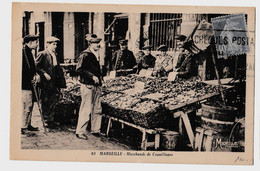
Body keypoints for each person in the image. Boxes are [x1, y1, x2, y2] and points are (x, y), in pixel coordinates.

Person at [75, 34, 103, 140]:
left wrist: (100, 78)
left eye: (98, 43)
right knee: (86, 109)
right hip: (87, 85)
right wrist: (92, 76)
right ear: (90, 44)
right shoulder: (85, 55)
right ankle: (80, 131)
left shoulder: (96, 54)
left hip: (96, 85)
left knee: (97, 108)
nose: (98, 45)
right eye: (96, 43)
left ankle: (96, 129)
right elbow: (79, 69)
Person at [36, 36, 66, 128]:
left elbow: (57, 68)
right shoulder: (43, 54)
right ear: (48, 44)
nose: (55, 46)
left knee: (53, 100)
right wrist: (44, 74)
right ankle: (45, 119)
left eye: (56, 44)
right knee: (45, 101)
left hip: (54, 82)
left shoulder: (54, 55)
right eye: (53, 44)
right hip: (46, 83)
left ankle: (50, 120)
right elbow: (36, 66)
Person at [21, 34, 41, 134]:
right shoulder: (23, 53)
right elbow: (23, 70)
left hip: (31, 84)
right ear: (29, 43)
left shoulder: (29, 52)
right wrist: (31, 78)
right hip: (25, 85)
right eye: (35, 42)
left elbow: (32, 68)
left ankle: (28, 124)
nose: (37, 44)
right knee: (26, 106)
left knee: (30, 105)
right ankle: (22, 126)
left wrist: (36, 74)